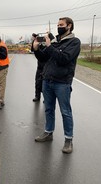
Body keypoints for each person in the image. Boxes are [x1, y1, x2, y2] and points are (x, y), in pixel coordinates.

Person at [33, 17, 81, 154]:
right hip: (47, 80)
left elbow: (63, 59)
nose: (58, 27)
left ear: (69, 26)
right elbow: (43, 58)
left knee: (65, 112)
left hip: (62, 82)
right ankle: (48, 132)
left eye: (61, 25)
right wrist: (36, 49)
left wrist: (49, 46)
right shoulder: (55, 42)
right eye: (58, 24)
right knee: (48, 109)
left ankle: (68, 139)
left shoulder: (74, 42)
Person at [31, 33, 49, 102]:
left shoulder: (48, 46)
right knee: (38, 82)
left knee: (45, 84)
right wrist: (35, 41)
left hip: (46, 67)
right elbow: (33, 50)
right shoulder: (39, 45)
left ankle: (46, 98)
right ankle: (37, 96)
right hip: (40, 67)